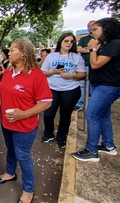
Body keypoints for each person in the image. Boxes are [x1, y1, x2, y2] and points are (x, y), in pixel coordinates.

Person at [0, 39, 52, 203]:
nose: (8, 53)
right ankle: (10, 173)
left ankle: (28, 189)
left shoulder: (36, 75)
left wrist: (23, 114)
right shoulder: (9, 71)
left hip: (25, 126)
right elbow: (2, 87)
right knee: (11, 149)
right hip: (6, 122)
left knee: (22, 155)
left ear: (24, 53)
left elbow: (46, 102)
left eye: (12, 50)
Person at [73, 17, 120, 162]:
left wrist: (93, 48)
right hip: (99, 84)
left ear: (106, 29)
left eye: (96, 29)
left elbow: (95, 64)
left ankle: (91, 150)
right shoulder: (104, 44)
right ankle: (108, 145)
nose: (92, 32)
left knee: (92, 115)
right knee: (103, 115)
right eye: (91, 29)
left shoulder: (114, 43)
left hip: (108, 86)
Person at [41, 32, 86, 149]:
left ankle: (61, 137)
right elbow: (42, 73)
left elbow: (82, 75)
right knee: (48, 114)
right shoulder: (51, 56)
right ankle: (48, 133)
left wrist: (71, 76)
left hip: (70, 90)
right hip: (52, 89)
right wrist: (53, 72)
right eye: (66, 41)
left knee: (65, 116)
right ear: (61, 41)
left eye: (72, 41)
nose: (69, 43)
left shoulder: (76, 57)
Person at [74, 20, 96, 111]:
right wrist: (92, 49)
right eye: (89, 26)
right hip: (85, 65)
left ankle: (94, 104)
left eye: (92, 25)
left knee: (94, 84)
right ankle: (80, 104)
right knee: (82, 85)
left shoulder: (100, 39)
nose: (90, 27)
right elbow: (79, 49)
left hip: (96, 65)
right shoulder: (83, 39)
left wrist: (88, 49)